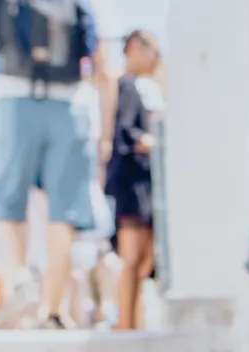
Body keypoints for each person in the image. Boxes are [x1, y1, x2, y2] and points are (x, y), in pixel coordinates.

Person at [0, 0, 114, 331]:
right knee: (65, 210)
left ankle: (19, 280)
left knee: (7, 199)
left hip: (14, 97)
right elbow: (103, 67)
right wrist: (105, 133)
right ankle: (52, 309)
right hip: (70, 104)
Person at [105, 29, 160, 331]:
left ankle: (132, 320)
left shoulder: (141, 87)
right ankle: (125, 322)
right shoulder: (126, 86)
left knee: (143, 261)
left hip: (142, 185)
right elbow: (125, 134)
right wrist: (152, 141)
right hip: (130, 184)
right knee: (132, 258)